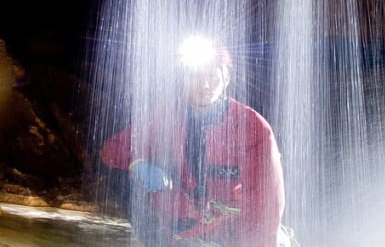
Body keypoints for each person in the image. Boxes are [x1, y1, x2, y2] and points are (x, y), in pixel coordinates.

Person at [101, 35, 287, 246]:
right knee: (123, 178)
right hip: (186, 226)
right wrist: (136, 163)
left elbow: (269, 201)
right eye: (196, 75)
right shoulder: (166, 117)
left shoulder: (252, 127)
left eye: (212, 76)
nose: (204, 84)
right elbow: (111, 149)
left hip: (234, 232)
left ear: (226, 79)